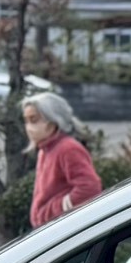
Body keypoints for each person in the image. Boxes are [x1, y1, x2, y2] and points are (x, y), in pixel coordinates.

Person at [23, 91, 102, 228]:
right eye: (26, 121)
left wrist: (56, 211)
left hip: (65, 229)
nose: (28, 127)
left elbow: (89, 187)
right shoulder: (44, 150)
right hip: (50, 228)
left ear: (52, 121)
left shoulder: (68, 148)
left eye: (34, 120)